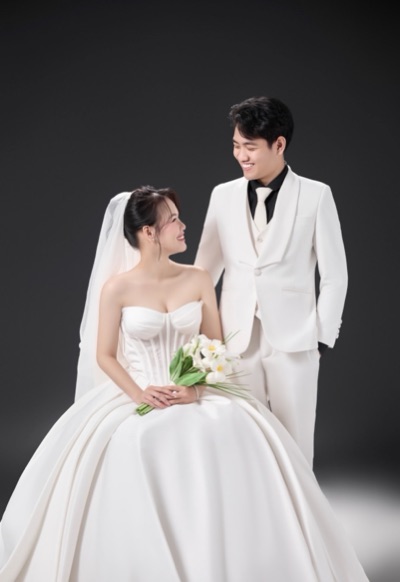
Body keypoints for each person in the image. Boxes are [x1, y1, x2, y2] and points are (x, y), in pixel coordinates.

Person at [0, 186, 367, 582]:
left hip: (194, 391)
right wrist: (139, 393)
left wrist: (196, 389)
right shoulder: (117, 289)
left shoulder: (197, 278)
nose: (183, 225)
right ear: (149, 233)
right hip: (139, 392)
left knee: (230, 429)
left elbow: (215, 344)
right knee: (140, 439)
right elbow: (104, 355)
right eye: (173, 219)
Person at [195, 96, 348, 467]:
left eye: (250, 147)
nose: (240, 155)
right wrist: (199, 335)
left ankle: (298, 508)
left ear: (279, 144)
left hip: (295, 341)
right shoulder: (222, 196)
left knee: (296, 444)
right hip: (234, 341)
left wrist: (321, 337)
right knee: (238, 441)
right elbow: (203, 273)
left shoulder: (316, 195)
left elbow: (335, 275)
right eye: (236, 146)